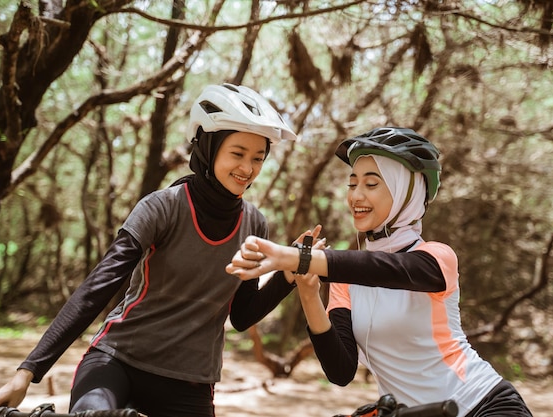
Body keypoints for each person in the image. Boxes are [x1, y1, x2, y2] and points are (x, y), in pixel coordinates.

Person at [0, 83, 301, 417]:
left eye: (258, 158)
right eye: (237, 153)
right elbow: (97, 288)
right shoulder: (163, 207)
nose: (248, 168)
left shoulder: (255, 225)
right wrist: (27, 373)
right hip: (116, 363)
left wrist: (288, 277)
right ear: (207, 146)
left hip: (190, 383)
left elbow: (242, 315)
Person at [226, 127, 533, 416]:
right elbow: (340, 371)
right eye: (352, 183)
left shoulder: (436, 258)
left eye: (371, 184)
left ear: (405, 192)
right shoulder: (346, 281)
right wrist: (308, 292)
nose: (356, 195)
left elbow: (389, 269)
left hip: (484, 404)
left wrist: (295, 257)